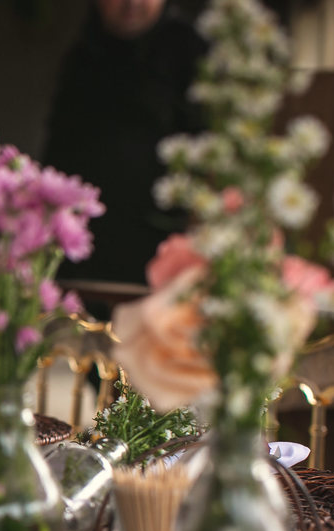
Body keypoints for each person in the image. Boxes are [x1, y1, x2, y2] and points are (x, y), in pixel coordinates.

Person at [42, 0, 206, 308]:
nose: (132, 3)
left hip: (165, 252)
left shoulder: (191, 53)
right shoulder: (83, 57)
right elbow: (58, 156)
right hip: (90, 256)